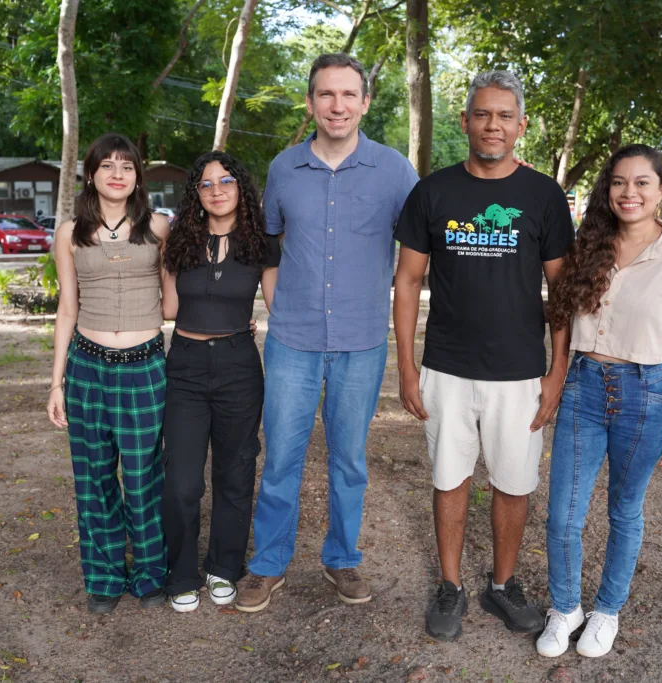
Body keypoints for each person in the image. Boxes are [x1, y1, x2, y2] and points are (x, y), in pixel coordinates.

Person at [393, 70, 575, 641]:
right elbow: (406, 282)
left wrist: (557, 371)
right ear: (466, 121)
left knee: (514, 482)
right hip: (446, 366)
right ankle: (449, 588)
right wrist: (405, 366)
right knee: (449, 478)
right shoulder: (432, 192)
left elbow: (562, 293)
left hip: (520, 373)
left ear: (520, 126)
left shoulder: (543, 196)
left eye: (504, 116)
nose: (492, 125)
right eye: (481, 114)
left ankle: (502, 585)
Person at [234, 53, 419, 613]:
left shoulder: (395, 171)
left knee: (348, 459)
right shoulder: (283, 168)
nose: (337, 105)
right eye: (325, 95)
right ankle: (267, 566)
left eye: (348, 95)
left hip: (362, 342)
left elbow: (417, 251)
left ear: (365, 102)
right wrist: (276, 303)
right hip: (292, 341)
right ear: (311, 102)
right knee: (282, 457)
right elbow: (267, 245)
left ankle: (342, 558)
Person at [537, 144, 662, 658]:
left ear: (661, 189)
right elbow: (563, 321)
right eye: (619, 182)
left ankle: (607, 610)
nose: (629, 192)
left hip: (649, 393)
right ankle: (565, 607)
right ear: (607, 189)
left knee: (624, 510)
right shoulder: (586, 245)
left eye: (641, 183)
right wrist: (557, 375)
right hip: (584, 389)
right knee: (563, 514)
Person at [46, 133, 172, 614]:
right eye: (107, 166)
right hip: (88, 367)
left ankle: (149, 576)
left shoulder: (158, 227)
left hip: (144, 367)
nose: (117, 174)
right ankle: (103, 578)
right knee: (93, 478)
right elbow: (66, 308)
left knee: (143, 479)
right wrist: (56, 383)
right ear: (92, 174)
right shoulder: (70, 232)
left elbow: (176, 298)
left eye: (127, 166)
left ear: (138, 176)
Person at [159, 152, 280, 613]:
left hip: (237, 366)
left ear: (240, 187)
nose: (216, 189)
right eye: (206, 183)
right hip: (185, 367)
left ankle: (224, 568)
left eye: (225, 180)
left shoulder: (260, 242)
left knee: (235, 473)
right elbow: (169, 310)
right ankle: (182, 572)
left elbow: (278, 304)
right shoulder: (178, 239)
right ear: (196, 193)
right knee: (182, 481)